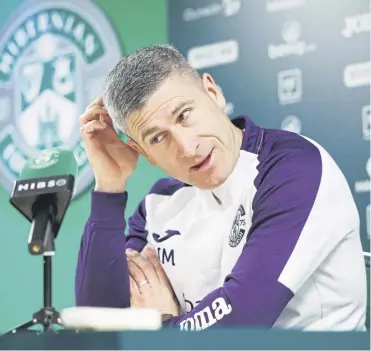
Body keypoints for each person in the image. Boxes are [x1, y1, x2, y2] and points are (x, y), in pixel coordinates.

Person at [75, 44, 367, 331]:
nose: (188, 148)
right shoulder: (158, 204)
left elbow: (240, 321)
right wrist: (109, 189)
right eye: (157, 139)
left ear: (212, 93)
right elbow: (100, 323)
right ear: (144, 152)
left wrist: (159, 326)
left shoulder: (294, 169)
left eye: (184, 115)